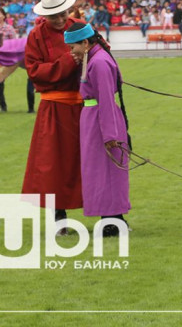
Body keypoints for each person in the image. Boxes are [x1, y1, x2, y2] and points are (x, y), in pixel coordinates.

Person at [22, 0, 84, 230]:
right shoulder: (35, 36)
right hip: (54, 107)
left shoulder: (79, 26)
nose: (60, 19)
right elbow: (35, 72)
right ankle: (59, 217)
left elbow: (102, 52)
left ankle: (110, 215)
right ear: (44, 14)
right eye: (54, 15)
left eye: (63, 13)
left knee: (92, 160)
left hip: (85, 104)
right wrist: (68, 61)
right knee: (54, 163)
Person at [63, 22, 131, 237]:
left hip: (101, 121)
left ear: (85, 42)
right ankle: (110, 218)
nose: (71, 52)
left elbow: (105, 100)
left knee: (107, 171)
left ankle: (113, 221)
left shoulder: (99, 62)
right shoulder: (92, 58)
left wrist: (110, 134)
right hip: (93, 120)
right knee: (99, 171)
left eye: (72, 47)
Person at [0, 8, 17, 112]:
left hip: (5, 58)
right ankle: (2, 103)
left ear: (3, 16)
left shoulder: (9, 28)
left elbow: (14, 43)